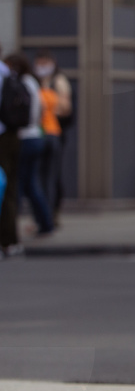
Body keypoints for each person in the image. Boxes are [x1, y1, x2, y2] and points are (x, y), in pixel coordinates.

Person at [4, 53, 54, 237]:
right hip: (35, 135)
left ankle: (11, 228)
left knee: (17, 185)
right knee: (31, 184)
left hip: (24, 137)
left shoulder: (19, 83)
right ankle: (45, 222)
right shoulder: (32, 83)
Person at [33, 51, 71, 219]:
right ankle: (45, 215)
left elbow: (66, 109)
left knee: (49, 177)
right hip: (42, 134)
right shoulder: (34, 82)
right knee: (41, 177)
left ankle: (48, 214)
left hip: (50, 134)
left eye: (45, 63)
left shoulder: (58, 82)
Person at [0, 41, 22, 255]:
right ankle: (10, 240)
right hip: (12, 135)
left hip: (2, 137)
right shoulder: (10, 73)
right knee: (9, 188)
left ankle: (7, 240)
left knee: (2, 187)